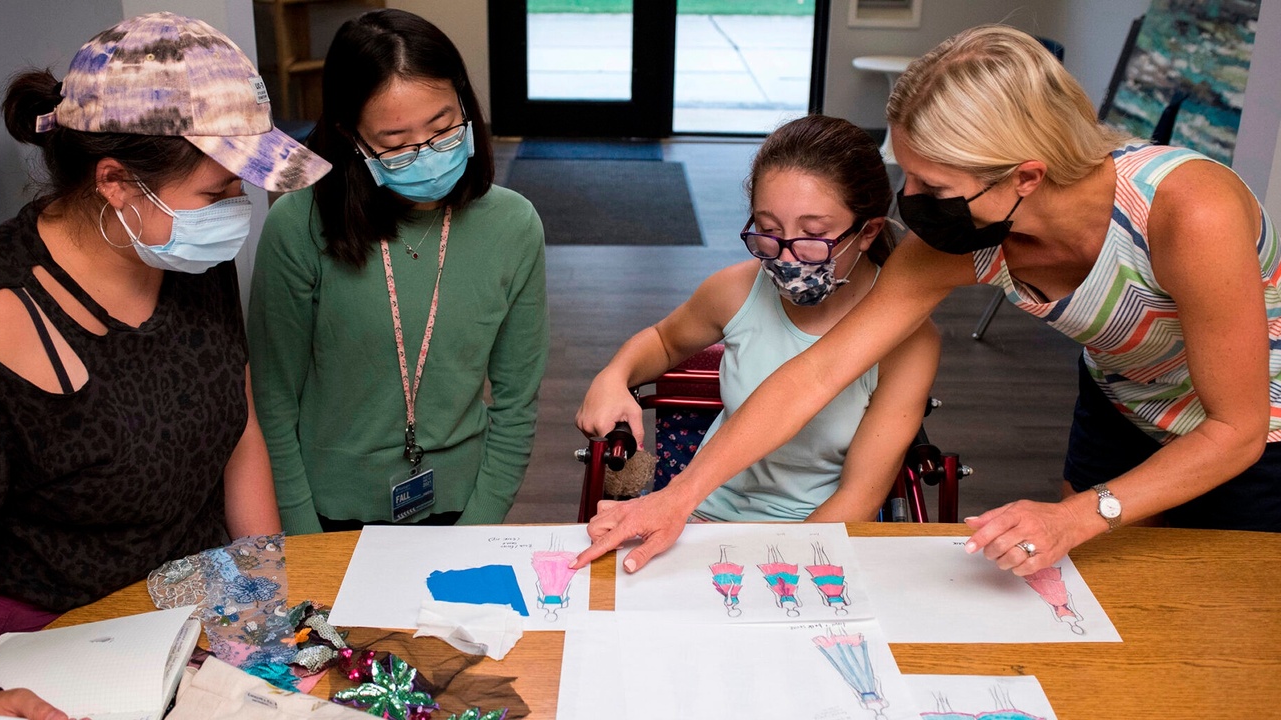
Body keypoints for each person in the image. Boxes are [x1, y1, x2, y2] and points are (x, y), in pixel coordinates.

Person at [576, 24, 1281, 576]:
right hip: (1124, 394)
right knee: (1110, 590)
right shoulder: (965, 237)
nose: (908, 207)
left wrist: (1077, 516)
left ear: (1025, 176)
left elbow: (1236, 430)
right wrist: (680, 495)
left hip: (1255, 426)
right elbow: (816, 373)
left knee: (1221, 601)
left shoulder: (1189, 211)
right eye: (905, 176)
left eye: (933, 190)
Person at [0, 13, 329, 720]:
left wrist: (260, 596)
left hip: (182, 614)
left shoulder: (186, 255)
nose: (240, 211)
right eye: (221, 191)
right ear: (117, 184)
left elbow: (239, 427)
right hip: (33, 647)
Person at [249, 9, 547, 532]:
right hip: (328, 512)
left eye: (443, 128)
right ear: (352, 137)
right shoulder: (298, 224)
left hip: (463, 504)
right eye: (396, 144)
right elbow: (274, 402)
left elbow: (517, 402)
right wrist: (303, 537)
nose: (428, 154)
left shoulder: (513, 224)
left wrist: (476, 526)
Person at [575, 115, 939, 523]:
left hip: (814, 529)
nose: (784, 258)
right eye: (768, 230)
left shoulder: (910, 342)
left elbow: (858, 497)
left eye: (811, 237)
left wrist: (775, 564)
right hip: (699, 510)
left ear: (867, 232)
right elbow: (663, 341)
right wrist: (614, 375)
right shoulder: (735, 291)